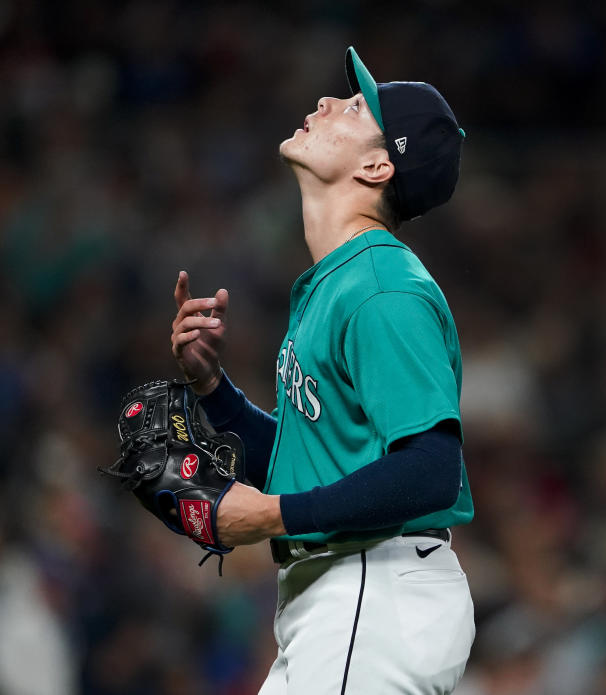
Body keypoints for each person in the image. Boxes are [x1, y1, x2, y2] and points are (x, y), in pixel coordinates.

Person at [169, 46, 475, 694]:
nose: (325, 103)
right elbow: (301, 457)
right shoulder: (340, 281)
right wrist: (212, 389)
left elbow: (430, 469)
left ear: (376, 164)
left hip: (374, 587)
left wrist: (271, 514)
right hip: (342, 597)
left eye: (355, 106)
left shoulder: (382, 287)